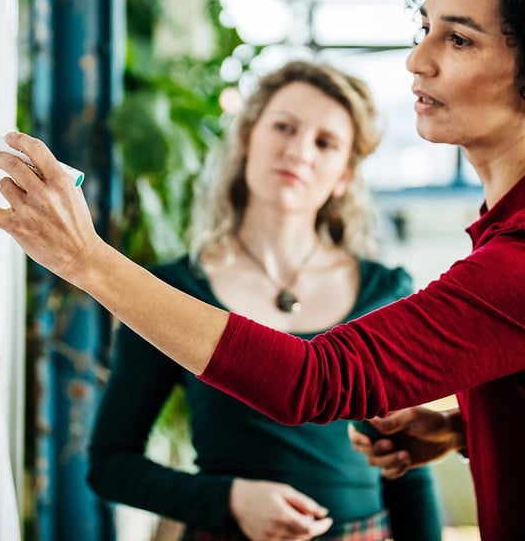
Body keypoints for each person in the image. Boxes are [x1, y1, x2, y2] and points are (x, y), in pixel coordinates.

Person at [0, 0, 525, 541]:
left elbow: (317, 381)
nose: (417, 60)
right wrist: (462, 433)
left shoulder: (507, 261)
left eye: (459, 41)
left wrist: (87, 259)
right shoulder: (496, 237)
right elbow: (112, 464)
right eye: (424, 29)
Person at [85, 61, 442, 541]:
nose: (298, 151)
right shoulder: (172, 291)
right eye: (284, 127)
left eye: (324, 142)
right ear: (249, 139)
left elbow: (408, 469)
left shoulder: (386, 291)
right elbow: (110, 464)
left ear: (344, 175)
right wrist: (228, 498)